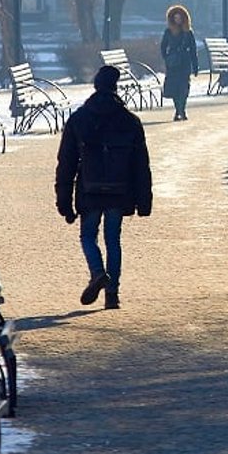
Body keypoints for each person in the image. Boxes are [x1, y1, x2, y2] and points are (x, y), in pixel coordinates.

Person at [55, 65, 152, 309]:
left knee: (88, 236)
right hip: (119, 191)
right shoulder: (130, 121)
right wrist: (144, 201)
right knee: (113, 240)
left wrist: (64, 202)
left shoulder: (79, 119)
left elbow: (65, 163)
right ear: (115, 87)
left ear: (96, 87)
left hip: (89, 191)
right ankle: (112, 294)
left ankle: (97, 273)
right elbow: (141, 165)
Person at [159, 4, 199, 121]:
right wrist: (166, 58)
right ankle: (178, 110)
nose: (178, 20)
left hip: (185, 63)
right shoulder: (168, 32)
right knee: (174, 89)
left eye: (180, 18)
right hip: (173, 65)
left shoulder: (188, 33)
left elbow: (193, 50)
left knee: (184, 88)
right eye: (175, 18)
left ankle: (181, 110)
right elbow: (163, 46)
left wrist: (195, 66)